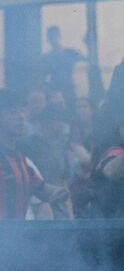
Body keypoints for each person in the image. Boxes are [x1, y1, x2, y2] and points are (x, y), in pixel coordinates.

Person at [0, 90, 69, 220]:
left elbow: (41, 188)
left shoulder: (21, 159)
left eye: (21, 111)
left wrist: (59, 192)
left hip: (15, 236)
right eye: (12, 112)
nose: (20, 116)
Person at [42, 26, 84, 108]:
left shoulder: (70, 52)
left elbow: (87, 60)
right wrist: (48, 92)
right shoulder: (46, 58)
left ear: (59, 36)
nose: (53, 39)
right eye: (51, 37)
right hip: (54, 90)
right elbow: (43, 77)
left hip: (70, 89)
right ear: (48, 39)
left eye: (55, 36)